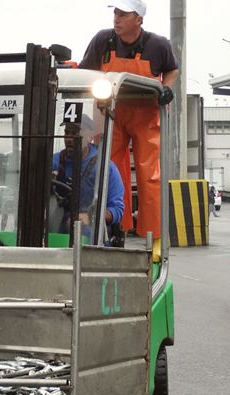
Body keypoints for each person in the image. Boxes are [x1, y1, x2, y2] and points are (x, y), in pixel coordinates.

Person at [79, 0, 178, 243]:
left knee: (149, 174)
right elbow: (85, 72)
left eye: (123, 14)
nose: (116, 19)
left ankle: (153, 237)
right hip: (112, 113)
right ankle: (116, 228)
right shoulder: (103, 41)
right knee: (110, 169)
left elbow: (172, 70)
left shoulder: (158, 45)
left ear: (139, 20)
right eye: (115, 13)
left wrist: (167, 89)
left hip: (146, 115)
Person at [52, 115, 124, 242]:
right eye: (66, 133)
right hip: (58, 228)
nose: (69, 139)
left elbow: (117, 210)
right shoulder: (54, 162)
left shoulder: (105, 167)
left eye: (75, 133)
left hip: (90, 232)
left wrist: (90, 217)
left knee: (87, 233)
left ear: (90, 136)